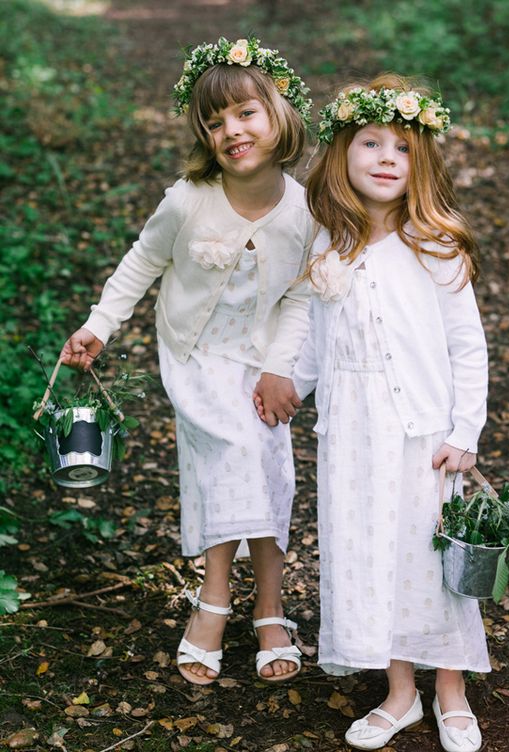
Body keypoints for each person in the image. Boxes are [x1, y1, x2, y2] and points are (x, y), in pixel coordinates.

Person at [60, 36, 315, 686]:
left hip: (262, 359)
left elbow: (304, 295)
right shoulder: (188, 199)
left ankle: (267, 603)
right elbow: (144, 259)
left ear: (278, 112)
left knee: (268, 467)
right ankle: (217, 597)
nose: (230, 129)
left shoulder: (303, 211)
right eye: (213, 120)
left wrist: (281, 366)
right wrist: (100, 325)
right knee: (233, 453)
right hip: (195, 355)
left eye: (244, 112)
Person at [293, 74, 488, 751]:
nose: (383, 157)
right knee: (376, 555)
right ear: (343, 153)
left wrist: (465, 431)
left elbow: (467, 347)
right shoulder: (329, 245)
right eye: (369, 142)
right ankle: (401, 692)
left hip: (424, 433)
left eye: (400, 147)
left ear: (419, 163)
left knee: (433, 557)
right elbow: (317, 345)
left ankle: (452, 691)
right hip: (353, 432)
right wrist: (283, 391)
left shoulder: (435, 243)